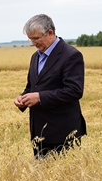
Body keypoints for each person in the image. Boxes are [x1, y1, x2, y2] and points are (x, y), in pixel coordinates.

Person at [13, 14, 86, 158]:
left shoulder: (71, 55)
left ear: (50, 33)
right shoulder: (35, 57)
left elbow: (74, 91)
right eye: (30, 39)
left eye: (36, 38)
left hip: (64, 132)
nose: (33, 43)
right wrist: (23, 99)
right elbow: (32, 87)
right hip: (39, 133)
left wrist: (40, 97)